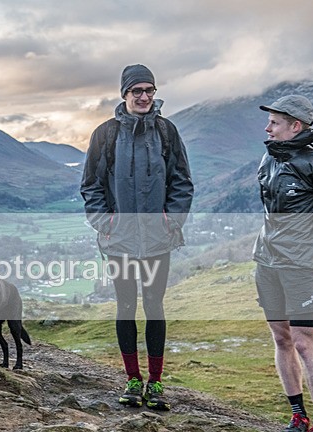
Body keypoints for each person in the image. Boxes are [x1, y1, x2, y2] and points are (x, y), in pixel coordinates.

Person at [80, 64, 193, 411]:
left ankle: (156, 383)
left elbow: (182, 182)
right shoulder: (106, 135)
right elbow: (91, 185)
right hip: (120, 241)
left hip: (158, 240)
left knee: (154, 306)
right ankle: (132, 380)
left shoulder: (167, 132)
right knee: (126, 307)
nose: (144, 96)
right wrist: (106, 223)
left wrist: (171, 222)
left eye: (149, 90)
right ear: (124, 94)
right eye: (137, 91)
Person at [253, 94, 313, 432]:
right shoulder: (268, 157)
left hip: (300, 267)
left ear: (295, 126)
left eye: (275, 123)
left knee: (303, 342)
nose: (267, 128)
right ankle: (298, 416)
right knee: (281, 339)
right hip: (266, 263)